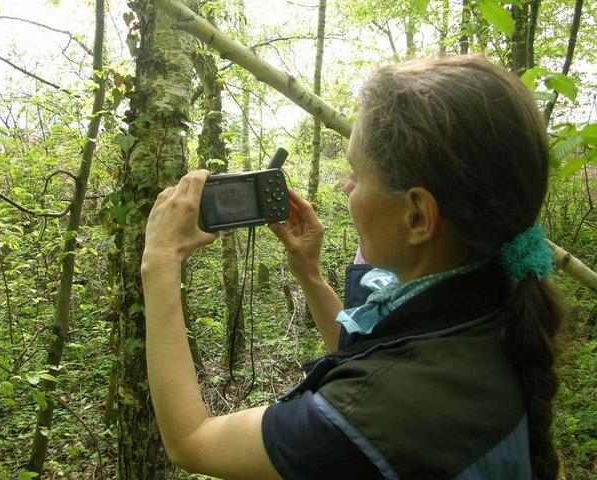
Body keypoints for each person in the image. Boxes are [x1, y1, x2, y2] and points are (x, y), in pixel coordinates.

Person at [141, 55, 565, 479]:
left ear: (417, 215)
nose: (346, 187)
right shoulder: (495, 304)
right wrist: (308, 272)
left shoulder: (377, 416)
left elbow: (191, 440)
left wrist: (159, 262)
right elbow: (365, 354)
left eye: (357, 175)